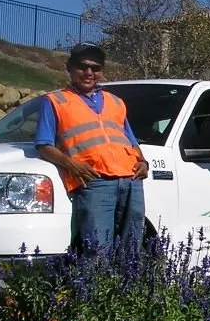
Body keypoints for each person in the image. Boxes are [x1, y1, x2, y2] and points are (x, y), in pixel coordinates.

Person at [34, 43, 149, 254]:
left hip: (131, 181)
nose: (89, 72)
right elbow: (44, 145)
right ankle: (96, 278)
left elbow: (131, 141)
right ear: (70, 68)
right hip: (95, 182)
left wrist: (142, 162)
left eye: (95, 68)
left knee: (132, 249)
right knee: (97, 250)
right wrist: (71, 165)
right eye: (82, 66)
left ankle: (127, 278)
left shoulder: (116, 102)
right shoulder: (55, 101)